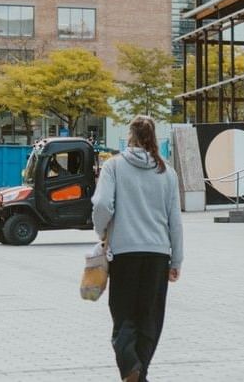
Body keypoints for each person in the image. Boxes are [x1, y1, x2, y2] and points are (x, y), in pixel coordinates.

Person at [92, 116, 183, 382]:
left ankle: (131, 366)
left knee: (123, 317)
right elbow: (174, 221)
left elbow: (101, 205)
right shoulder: (167, 172)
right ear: (153, 137)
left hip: (124, 254)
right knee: (150, 318)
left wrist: (102, 232)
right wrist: (176, 259)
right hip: (158, 255)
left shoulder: (114, 166)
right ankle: (140, 372)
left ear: (129, 136)